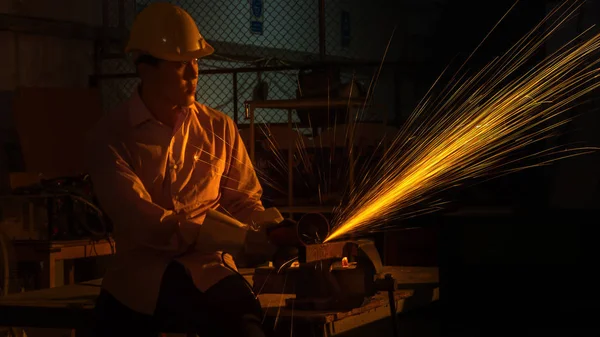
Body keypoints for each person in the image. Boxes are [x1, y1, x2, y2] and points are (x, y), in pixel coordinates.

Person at [85, 3, 281, 336]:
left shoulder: (219, 128)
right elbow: (148, 223)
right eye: (179, 65)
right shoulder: (110, 136)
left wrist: (270, 228)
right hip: (139, 282)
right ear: (145, 69)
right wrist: (238, 238)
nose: (193, 74)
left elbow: (244, 201)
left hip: (213, 273)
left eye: (195, 62)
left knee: (244, 317)